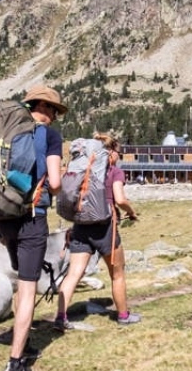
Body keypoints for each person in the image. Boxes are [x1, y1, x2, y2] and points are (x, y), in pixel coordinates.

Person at [0, 84, 65, 371]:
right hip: (32, 218)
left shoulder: (8, 130)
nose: (54, 116)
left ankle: (21, 343)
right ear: (44, 107)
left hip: (3, 216)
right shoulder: (49, 135)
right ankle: (15, 364)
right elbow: (54, 182)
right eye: (53, 110)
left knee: (20, 283)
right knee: (27, 288)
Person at [54, 131, 140, 329]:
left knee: (74, 274)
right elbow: (120, 199)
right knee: (117, 274)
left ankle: (60, 317)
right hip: (104, 228)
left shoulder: (83, 167)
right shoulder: (114, 172)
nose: (120, 156)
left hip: (81, 225)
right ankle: (123, 315)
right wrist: (132, 212)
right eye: (119, 151)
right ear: (111, 152)